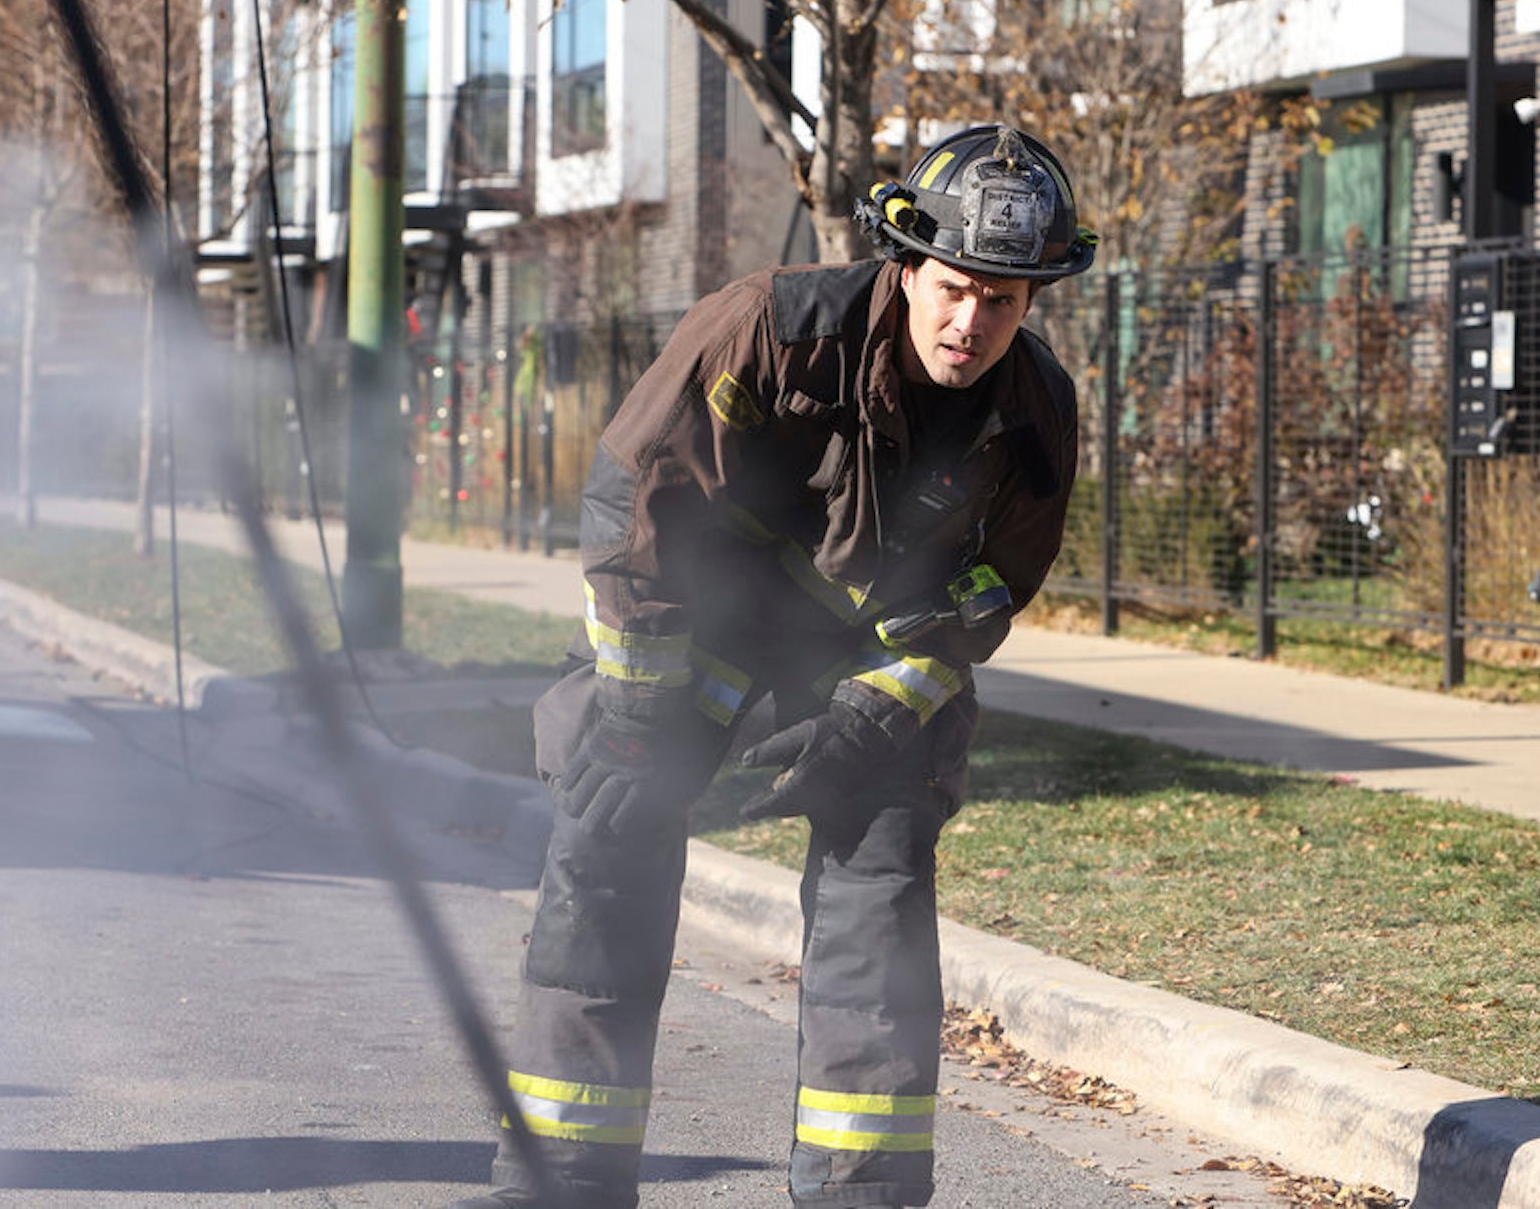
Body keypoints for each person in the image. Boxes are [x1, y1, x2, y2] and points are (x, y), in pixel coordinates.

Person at [451, 124, 1096, 1209]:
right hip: (694, 624)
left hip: (858, 667)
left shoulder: (1033, 413)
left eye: (1003, 298)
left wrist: (872, 717)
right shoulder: (769, 327)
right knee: (606, 835)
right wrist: (632, 709)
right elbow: (631, 511)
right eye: (953, 287)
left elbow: (986, 591)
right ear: (904, 264)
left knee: (879, 885)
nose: (971, 321)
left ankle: (860, 1190)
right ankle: (558, 1178)